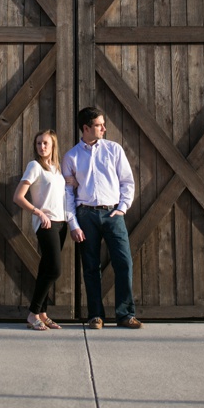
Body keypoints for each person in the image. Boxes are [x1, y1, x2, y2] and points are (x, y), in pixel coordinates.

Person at [63, 106, 143, 329]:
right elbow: (67, 193)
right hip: (85, 215)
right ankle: (95, 316)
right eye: (99, 125)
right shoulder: (71, 156)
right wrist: (73, 222)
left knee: (124, 263)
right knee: (90, 267)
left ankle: (125, 315)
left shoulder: (114, 150)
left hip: (112, 213)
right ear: (86, 128)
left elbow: (127, 181)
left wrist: (123, 208)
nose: (104, 128)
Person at [12, 130, 68, 331]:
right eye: (38, 144)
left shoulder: (57, 169)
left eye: (45, 143)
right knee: (54, 269)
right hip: (46, 224)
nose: (41, 147)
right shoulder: (34, 166)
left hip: (62, 223)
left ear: (53, 145)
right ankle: (33, 313)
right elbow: (18, 197)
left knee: (46, 269)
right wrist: (38, 212)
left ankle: (43, 314)